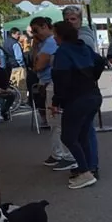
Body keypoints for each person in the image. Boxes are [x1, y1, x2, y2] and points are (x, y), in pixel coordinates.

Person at [50, 21, 105, 189]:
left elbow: (61, 80)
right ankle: (87, 169)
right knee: (82, 135)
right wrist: (92, 76)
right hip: (93, 96)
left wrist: (55, 101)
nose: (54, 38)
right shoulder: (84, 48)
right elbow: (101, 61)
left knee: (68, 136)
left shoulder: (62, 52)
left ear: (61, 36)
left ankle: (85, 172)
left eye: (55, 35)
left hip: (77, 100)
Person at [31, 16, 76, 170]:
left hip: (52, 83)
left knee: (57, 122)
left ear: (44, 26)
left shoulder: (50, 43)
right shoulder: (43, 43)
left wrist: (36, 58)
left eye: (36, 30)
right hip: (49, 83)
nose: (34, 34)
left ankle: (66, 155)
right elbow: (35, 63)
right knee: (54, 122)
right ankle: (58, 153)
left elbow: (38, 66)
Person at [0, 55, 17, 121]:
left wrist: (6, 89)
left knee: (12, 95)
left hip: (2, 90)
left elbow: (6, 83)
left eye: (0, 64)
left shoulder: (2, 71)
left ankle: (3, 112)